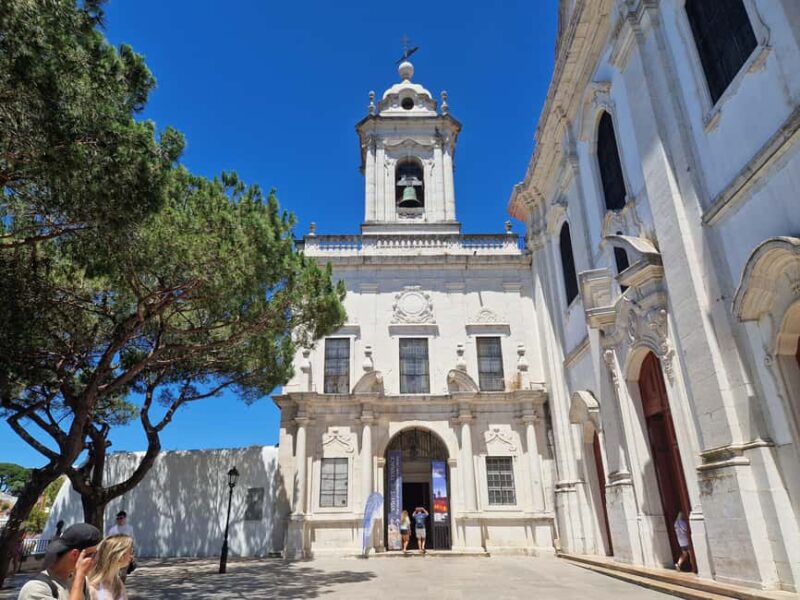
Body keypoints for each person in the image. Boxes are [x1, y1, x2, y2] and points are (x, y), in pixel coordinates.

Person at [17, 522, 102, 600]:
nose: (96, 559)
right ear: (74, 555)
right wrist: (79, 578)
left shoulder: (81, 582)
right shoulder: (36, 590)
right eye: (92, 555)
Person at [87, 535, 134, 600]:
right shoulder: (93, 587)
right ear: (119, 555)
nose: (132, 556)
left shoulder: (118, 583)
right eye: (130, 552)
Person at [105, 512, 134, 582]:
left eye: (121, 518)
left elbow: (131, 540)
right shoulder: (113, 529)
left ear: (125, 518)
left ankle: (122, 585)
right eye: (118, 518)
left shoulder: (130, 528)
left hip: (126, 552)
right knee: (115, 571)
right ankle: (116, 585)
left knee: (124, 571)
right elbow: (109, 540)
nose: (119, 520)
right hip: (116, 552)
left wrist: (132, 553)